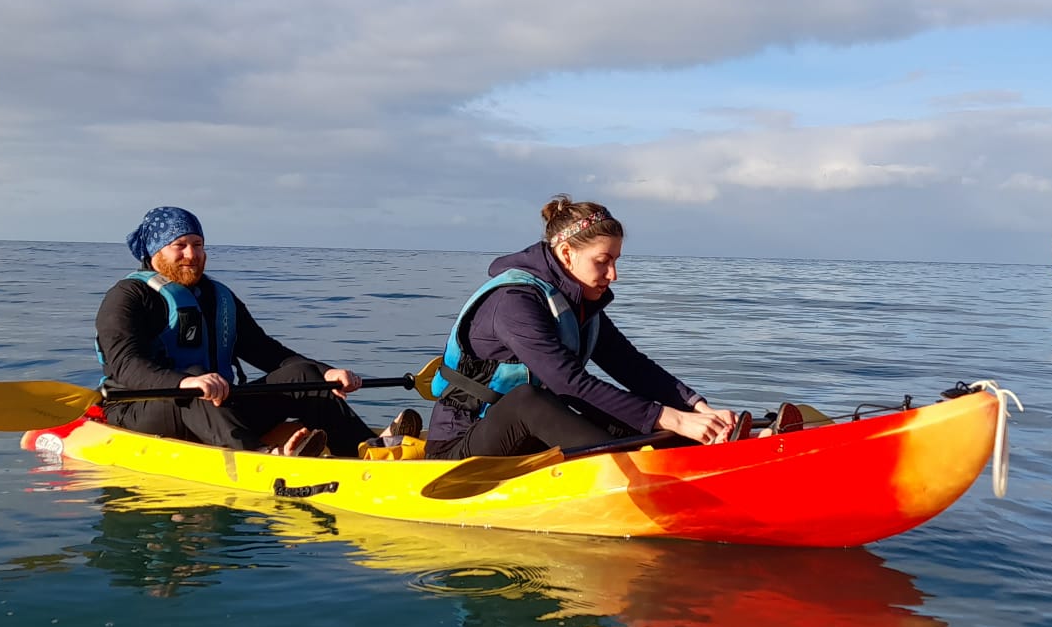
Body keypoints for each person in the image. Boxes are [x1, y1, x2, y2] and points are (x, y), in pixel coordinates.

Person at [425, 195, 742, 459]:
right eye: (603, 261)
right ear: (566, 254)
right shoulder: (513, 302)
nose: (613, 274)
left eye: (616, 260)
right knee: (528, 399)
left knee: (638, 420)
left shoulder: (577, 306)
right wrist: (672, 418)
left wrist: (699, 410)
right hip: (460, 451)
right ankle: (632, 474)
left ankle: (719, 447)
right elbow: (568, 383)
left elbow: (632, 367)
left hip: (531, 440)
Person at [94, 206, 376, 456]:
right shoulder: (127, 296)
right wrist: (184, 383)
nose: (191, 254)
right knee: (195, 381)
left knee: (303, 374)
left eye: (198, 244)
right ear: (156, 251)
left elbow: (266, 351)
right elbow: (126, 365)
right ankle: (262, 456)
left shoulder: (218, 296)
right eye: (179, 245)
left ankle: (368, 449)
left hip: (218, 406)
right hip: (139, 411)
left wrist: (326, 372)